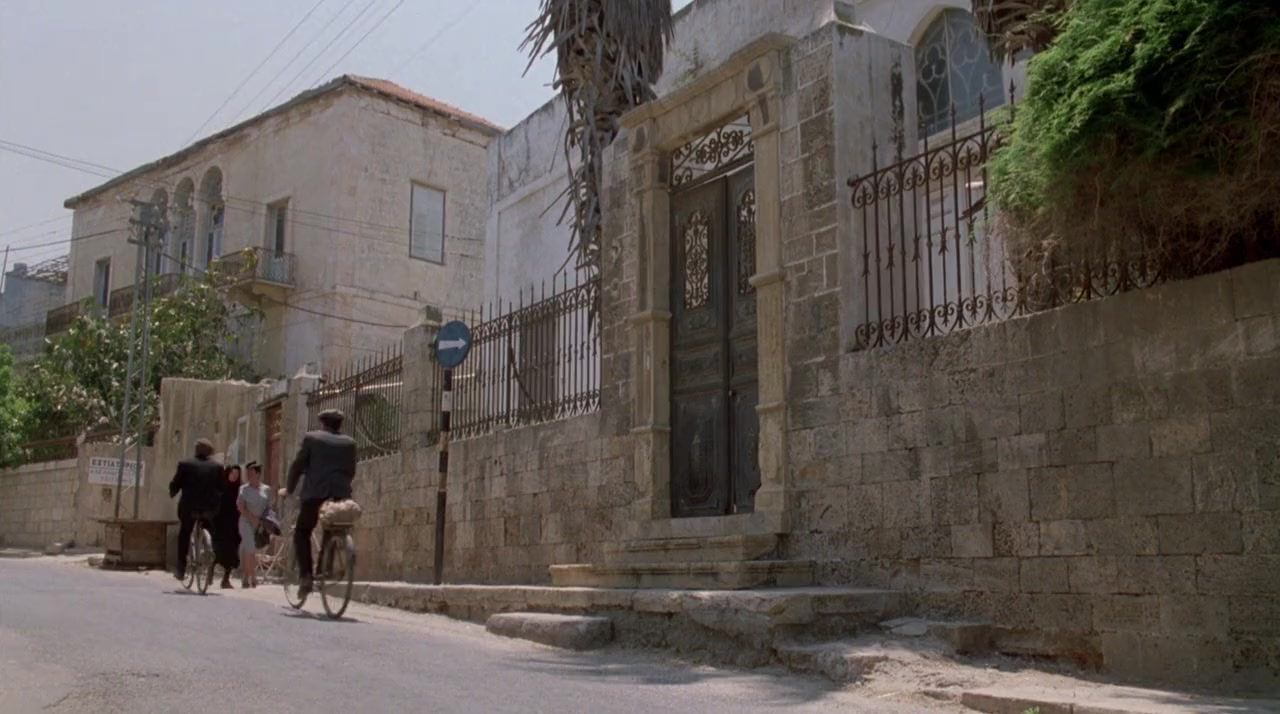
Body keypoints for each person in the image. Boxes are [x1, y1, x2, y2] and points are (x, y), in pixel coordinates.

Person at [281, 409, 356, 597]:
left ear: (323, 423)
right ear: (340, 424)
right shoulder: (350, 443)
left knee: (302, 532)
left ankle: (306, 577)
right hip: (340, 493)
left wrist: (289, 489)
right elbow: (351, 471)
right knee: (332, 528)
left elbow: (297, 466)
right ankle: (325, 568)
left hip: (315, 493)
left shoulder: (312, 438)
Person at [168, 438, 223, 582]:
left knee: (185, 533)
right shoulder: (217, 467)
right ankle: (211, 564)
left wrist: (172, 492)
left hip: (189, 508)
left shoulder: (185, 464)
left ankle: (181, 568)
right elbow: (221, 488)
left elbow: (176, 484)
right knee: (212, 532)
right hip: (210, 509)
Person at [237, 461, 271, 588]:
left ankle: (247, 575)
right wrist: (253, 519)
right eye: (247, 474)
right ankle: (252, 576)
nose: (249, 476)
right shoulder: (243, 489)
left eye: (251, 474)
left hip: (260, 523)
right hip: (246, 521)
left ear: (258, 474)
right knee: (250, 546)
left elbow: (269, 508)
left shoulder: (266, 490)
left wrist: (266, 523)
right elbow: (241, 507)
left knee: (253, 549)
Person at [212, 464, 243, 589]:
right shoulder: (220, 487)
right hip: (220, 524)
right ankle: (211, 570)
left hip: (234, 525)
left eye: (237, 474)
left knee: (232, 553)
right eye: (232, 474)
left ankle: (225, 579)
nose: (234, 476)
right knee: (219, 551)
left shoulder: (240, 489)